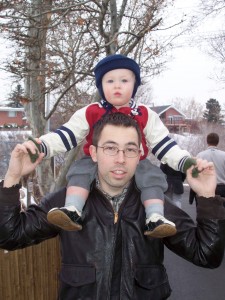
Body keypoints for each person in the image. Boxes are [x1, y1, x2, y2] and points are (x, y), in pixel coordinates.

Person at [1, 112, 225, 300]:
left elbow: (206, 255)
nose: (120, 158)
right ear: (94, 153)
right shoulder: (65, 203)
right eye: (110, 148)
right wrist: (12, 178)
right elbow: (10, 235)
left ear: (139, 155)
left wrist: (206, 196)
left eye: (129, 149)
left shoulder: (155, 207)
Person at [24, 54, 195, 238]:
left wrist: (184, 161)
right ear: (101, 86)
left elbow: (164, 144)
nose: (117, 86)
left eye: (124, 80)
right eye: (110, 81)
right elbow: (67, 135)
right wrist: (42, 146)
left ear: (134, 85)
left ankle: (154, 217)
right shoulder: (91, 111)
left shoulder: (144, 113)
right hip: (96, 160)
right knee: (79, 170)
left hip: (136, 161)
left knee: (152, 177)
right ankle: (73, 208)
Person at [189, 132, 225, 204]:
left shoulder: (200, 155)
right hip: (222, 189)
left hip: (204, 188)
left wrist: (192, 195)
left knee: (204, 212)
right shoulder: (224, 155)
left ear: (207, 141)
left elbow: (195, 175)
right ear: (217, 142)